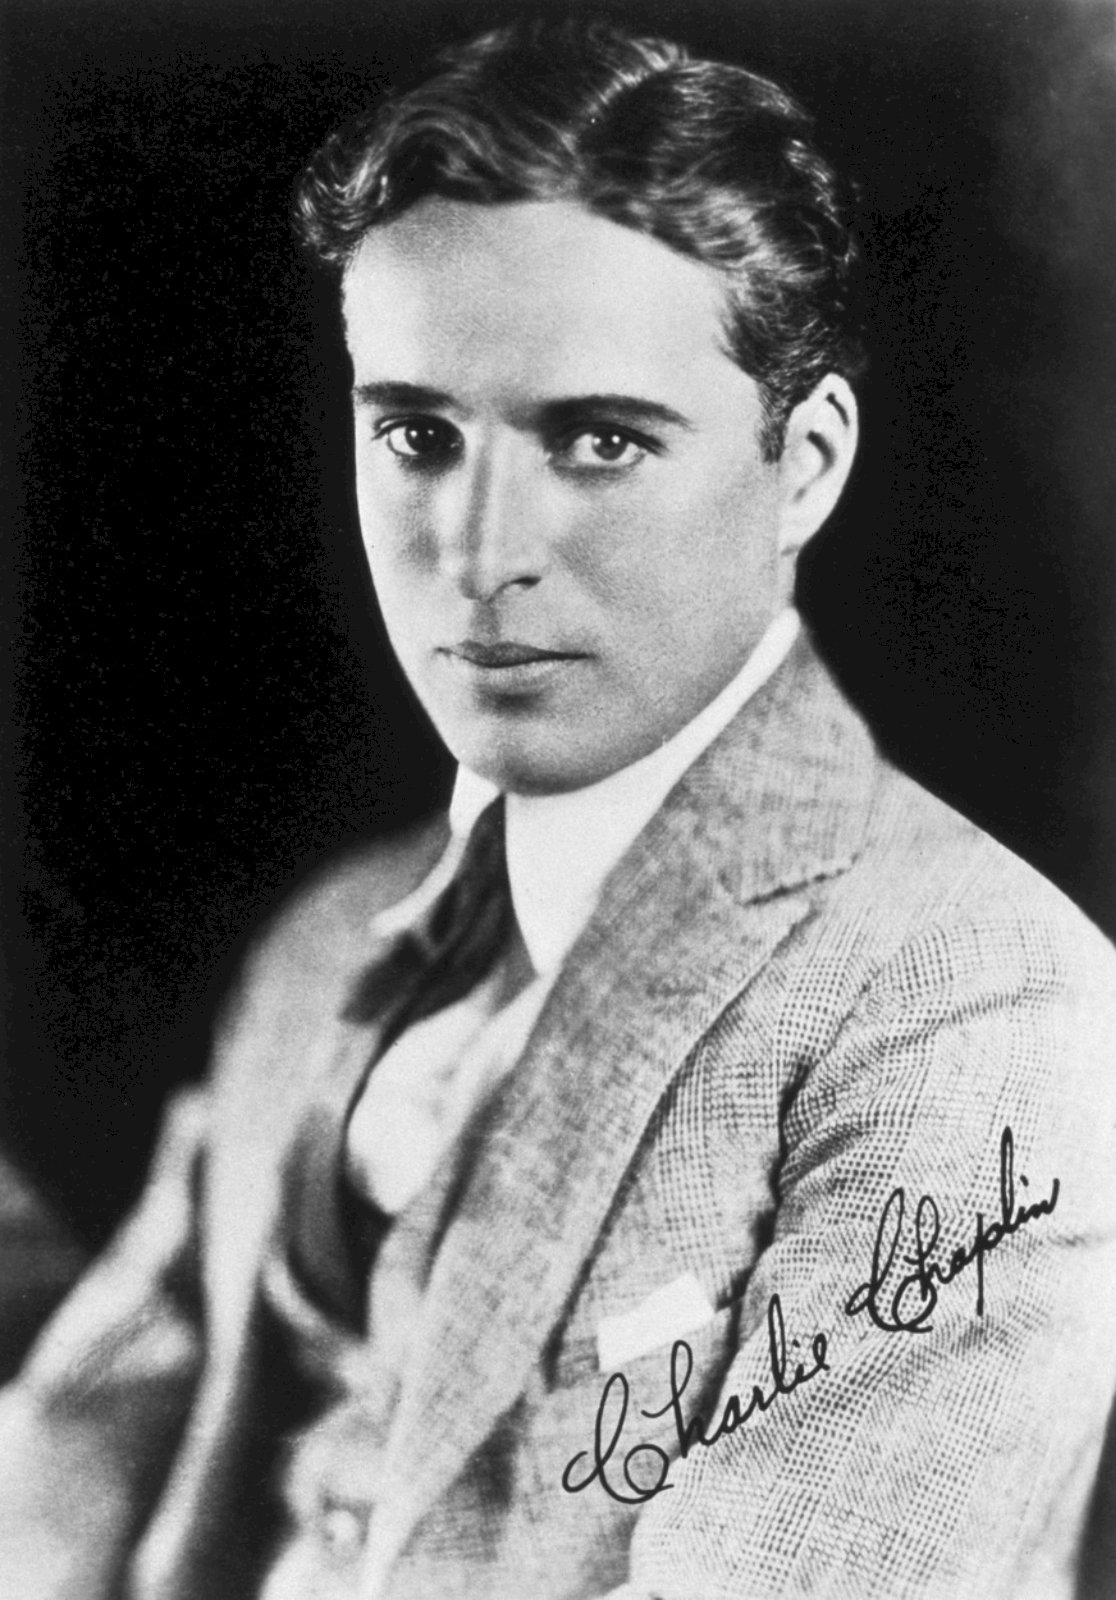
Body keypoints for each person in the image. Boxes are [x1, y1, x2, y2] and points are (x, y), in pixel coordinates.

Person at [1, 19, 1115, 1599]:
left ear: (804, 465)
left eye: (598, 441)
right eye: (417, 436)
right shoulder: (335, 940)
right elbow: (89, 1435)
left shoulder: (979, 1004)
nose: (480, 551)